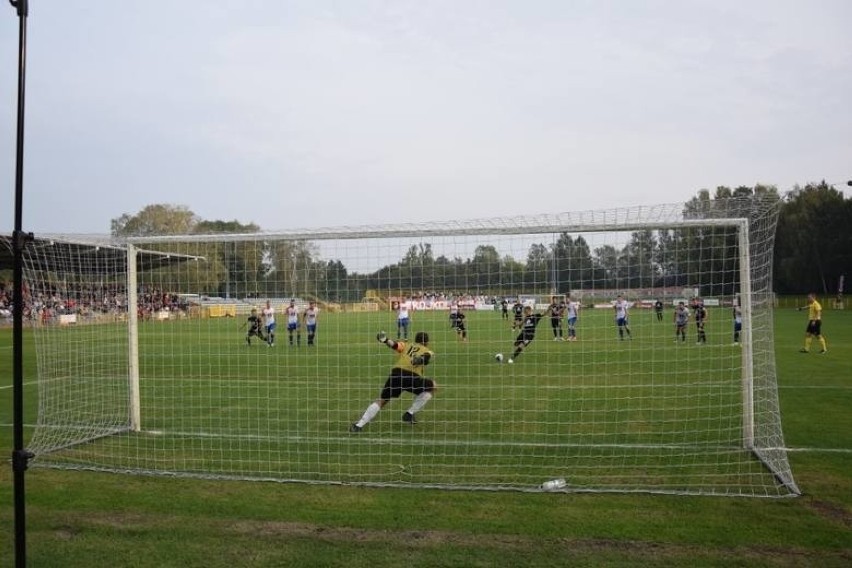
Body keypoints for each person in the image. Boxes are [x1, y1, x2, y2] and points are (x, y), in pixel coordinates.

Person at [350, 331, 437, 432]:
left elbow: (394, 345)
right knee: (433, 386)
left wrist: (385, 340)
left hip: (396, 374)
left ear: (415, 340)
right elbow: (427, 357)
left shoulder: (407, 345)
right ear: (427, 342)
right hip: (412, 377)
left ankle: (359, 425)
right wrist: (420, 360)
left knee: (382, 400)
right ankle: (409, 413)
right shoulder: (428, 350)